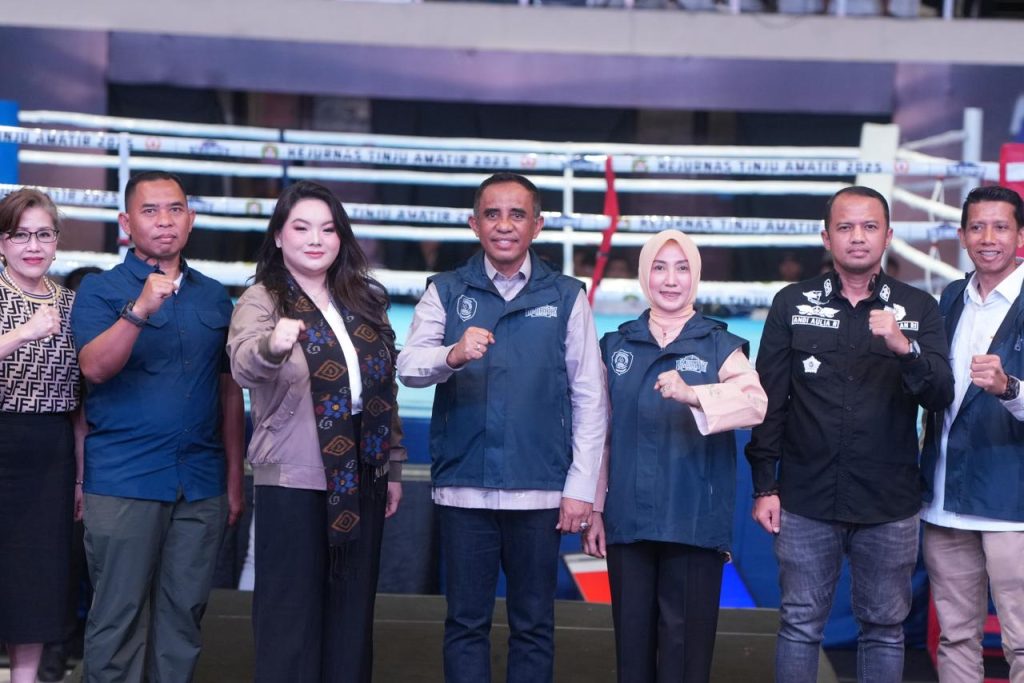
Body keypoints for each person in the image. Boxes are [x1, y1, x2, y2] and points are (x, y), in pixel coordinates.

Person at [398, 172, 607, 683]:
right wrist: (452, 354)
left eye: (517, 214)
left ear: (537, 225)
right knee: (465, 624)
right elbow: (408, 367)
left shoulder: (566, 296)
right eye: (492, 214)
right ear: (475, 224)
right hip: (464, 487)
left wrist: (581, 488)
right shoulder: (445, 291)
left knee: (533, 626)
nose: (505, 225)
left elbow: (590, 396)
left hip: (540, 491)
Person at [745, 185, 954, 683]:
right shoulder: (792, 303)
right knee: (799, 625)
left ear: (888, 235)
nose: (857, 237)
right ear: (826, 237)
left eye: (869, 226)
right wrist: (764, 485)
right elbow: (769, 400)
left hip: (889, 503)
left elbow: (940, 394)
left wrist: (905, 347)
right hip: (805, 497)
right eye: (845, 227)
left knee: (883, 629)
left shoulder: (919, 307)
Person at [227, 180, 407, 683]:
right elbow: (244, 364)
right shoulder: (263, 298)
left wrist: (392, 466)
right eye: (302, 227)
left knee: (351, 620)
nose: (315, 239)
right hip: (294, 478)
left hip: (363, 475)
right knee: (290, 619)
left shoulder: (363, 299)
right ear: (278, 236)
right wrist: (273, 345)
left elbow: (383, 386)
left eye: (327, 229)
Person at [70, 171, 245, 683]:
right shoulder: (100, 290)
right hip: (124, 479)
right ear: (126, 223)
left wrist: (235, 479)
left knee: (184, 618)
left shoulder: (214, 297)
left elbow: (229, 392)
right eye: (150, 211)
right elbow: (94, 368)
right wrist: (140, 309)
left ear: (191, 219)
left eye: (175, 209)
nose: (164, 221)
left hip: (201, 483)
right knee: (117, 618)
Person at [582, 229, 767, 682]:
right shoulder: (615, 345)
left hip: (693, 521)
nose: (670, 280)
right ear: (644, 275)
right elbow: (599, 432)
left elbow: (756, 405)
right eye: (660, 268)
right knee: (632, 651)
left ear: (695, 276)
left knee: (685, 656)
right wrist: (596, 508)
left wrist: (695, 395)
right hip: (628, 520)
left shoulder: (720, 344)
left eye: (682, 268)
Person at [920, 185, 1024, 683]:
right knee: (956, 637)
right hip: (944, 499)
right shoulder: (949, 298)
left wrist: (1010, 388)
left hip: (1012, 504)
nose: (988, 238)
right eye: (977, 227)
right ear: (961, 236)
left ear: (1020, 236)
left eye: (1000, 227)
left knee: (1021, 641)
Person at [0, 189, 84, 683]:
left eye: (44, 235)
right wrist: (22, 333)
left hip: (51, 450)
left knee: (35, 579)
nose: (33, 246)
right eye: (20, 235)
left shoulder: (73, 304)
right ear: (2, 242)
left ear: (56, 242)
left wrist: (80, 476)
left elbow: (80, 404)